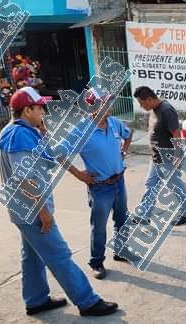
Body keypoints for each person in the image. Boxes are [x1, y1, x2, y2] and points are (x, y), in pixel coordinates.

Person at [0, 86, 119, 316]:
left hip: (25, 210)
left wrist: (43, 133)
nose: (44, 111)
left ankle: (36, 300)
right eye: (40, 107)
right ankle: (87, 301)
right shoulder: (19, 135)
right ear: (27, 109)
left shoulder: (25, 131)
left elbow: (48, 159)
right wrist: (43, 211)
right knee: (60, 255)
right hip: (32, 210)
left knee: (32, 256)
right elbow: (25, 179)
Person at [66, 89, 133, 279]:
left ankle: (121, 251)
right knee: (99, 227)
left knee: (122, 219)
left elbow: (128, 134)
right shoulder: (81, 130)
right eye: (104, 103)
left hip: (119, 181)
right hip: (100, 188)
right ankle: (97, 262)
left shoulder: (113, 123)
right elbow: (59, 154)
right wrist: (79, 174)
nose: (109, 106)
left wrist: (123, 152)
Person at [132, 86, 186, 225]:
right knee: (151, 184)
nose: (142, 107)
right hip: (156, 156)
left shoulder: (166, 110)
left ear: (150, 98)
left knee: (175, 186)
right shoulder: (154, 110)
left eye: (142, 103)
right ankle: (144, 215)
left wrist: (177, 156)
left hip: (168, 156)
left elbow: (176, 134)